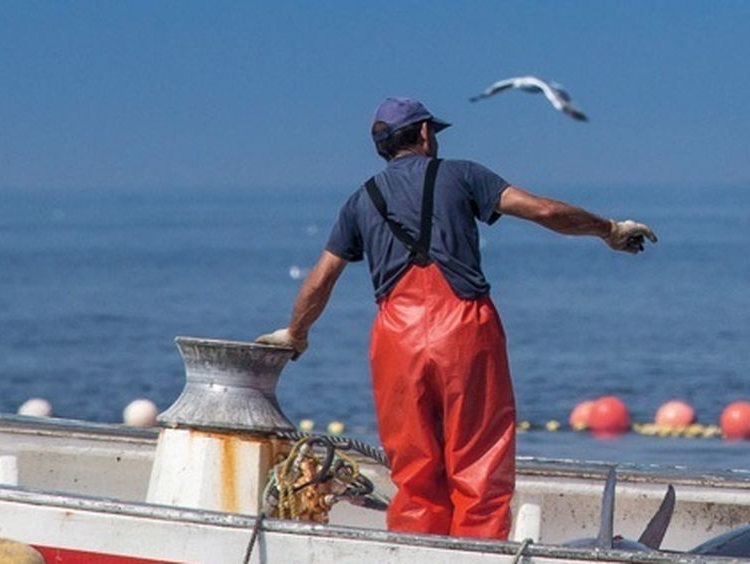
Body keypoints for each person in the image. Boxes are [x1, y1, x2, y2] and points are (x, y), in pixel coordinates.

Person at [258, 96, 656, 539]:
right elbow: (544, 211)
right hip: (464, 328)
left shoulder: (359, 201)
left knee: (413, 469)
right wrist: (610, 230)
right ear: (425, 134)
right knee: (479, 459)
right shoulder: (463, 175)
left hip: (396, 339)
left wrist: (295, 334)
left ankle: (417, 550)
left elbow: (321, 278)